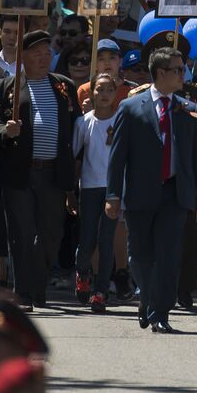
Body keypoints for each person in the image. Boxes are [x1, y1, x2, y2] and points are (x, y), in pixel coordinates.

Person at [106, 44, 197, 333]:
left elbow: (196, 159)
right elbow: (118, 157)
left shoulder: (187, 109)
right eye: (178, 70)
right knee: (139, 256)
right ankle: (148, 298)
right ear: (161, 73)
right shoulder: (130, 108)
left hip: (175, 194)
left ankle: (160, 313)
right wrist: (113, 194)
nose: (183, 74)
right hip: (140, 194)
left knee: (168, 256)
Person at [0, 30, 78, 311]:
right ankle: (23, 294)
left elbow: (77, 126)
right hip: (19, 172)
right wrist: (5, 131)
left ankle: (37, 286)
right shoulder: (8, 87)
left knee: (50, 234)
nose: (44, 58)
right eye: (37, 53)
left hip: (53, 173)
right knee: (20, 233)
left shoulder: (64, 86)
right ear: (23, 58)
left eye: (48, 53)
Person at [73, 72, 120, 312]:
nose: (104, 94)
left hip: (113, 189)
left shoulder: (121, 121)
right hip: (90, 187)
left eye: (109, 89)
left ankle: (101, 290)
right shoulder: (84, 122)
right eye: (99, 89)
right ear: (91, 92)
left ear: (115, 93)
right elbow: (76, 156)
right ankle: (82, 273)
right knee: (88, 238)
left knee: (106, 240)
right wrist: (71, 190)